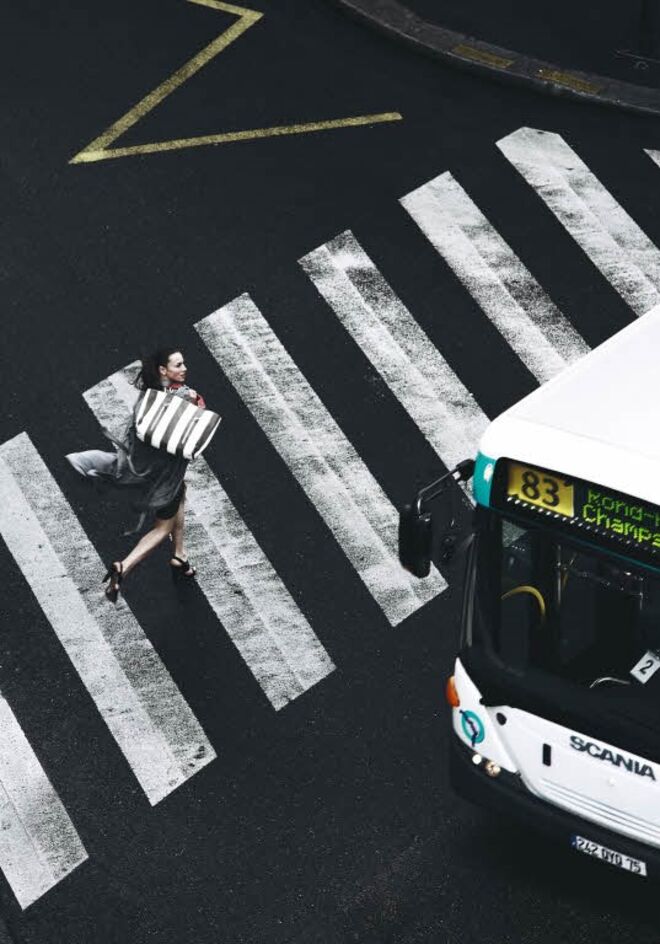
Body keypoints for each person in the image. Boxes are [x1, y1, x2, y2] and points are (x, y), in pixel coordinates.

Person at [66, 348, 206, 602]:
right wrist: (196, 399)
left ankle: (180, 555)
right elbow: (199, 424)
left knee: (180, 494)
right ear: (164, 370)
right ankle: (125, 566)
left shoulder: (149, 396)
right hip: (165, 476)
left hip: (146, 469)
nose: (184, 368)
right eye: (178, 364)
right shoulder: (187, 395)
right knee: (162, 528)